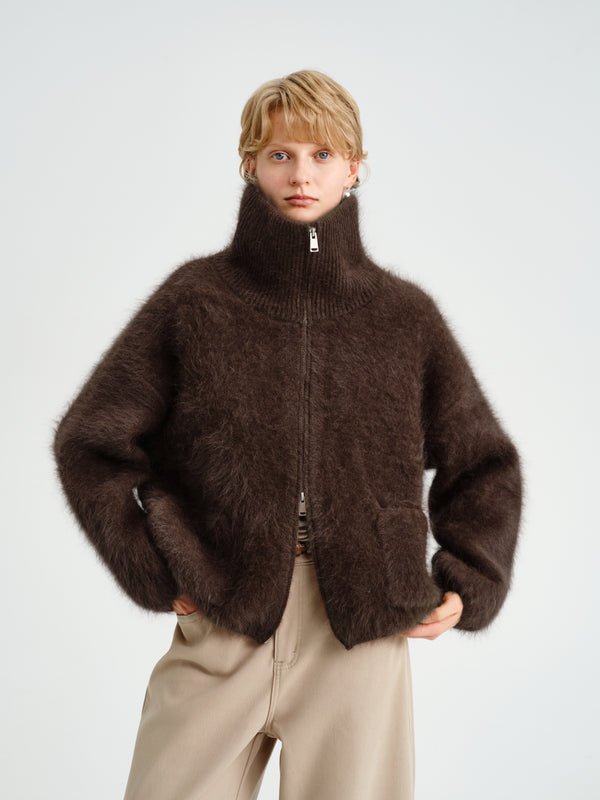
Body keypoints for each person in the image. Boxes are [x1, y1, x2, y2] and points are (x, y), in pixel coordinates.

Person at [52, 70, 523, 800]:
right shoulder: (195, 302)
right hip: (224, 619)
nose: (302, 174)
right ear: (250, 163)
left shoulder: (404, 317)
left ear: (354, 167)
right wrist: (153, 567)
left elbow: (483, 461)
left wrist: (471, 580)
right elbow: (89, 441)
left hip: (359, 634)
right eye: (281, 155)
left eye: (322, 154)